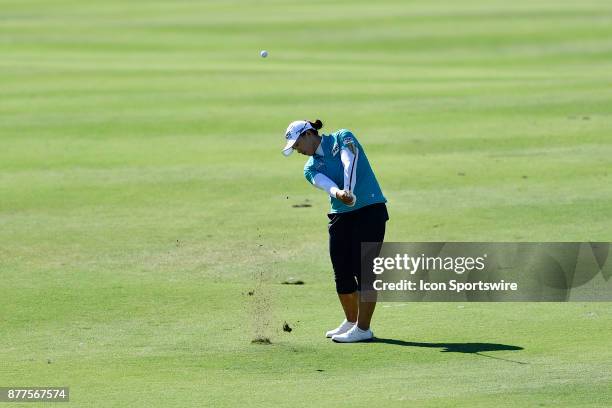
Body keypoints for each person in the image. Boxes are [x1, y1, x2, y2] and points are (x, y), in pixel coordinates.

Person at [282, 119, 389, 343]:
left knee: (365, 270)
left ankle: (363, 329)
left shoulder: (343, 137)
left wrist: (348, 190)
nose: (297, 150)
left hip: (370, 209)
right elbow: (325, 184)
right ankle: (351, 322)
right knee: (341, 270)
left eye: (297, 144)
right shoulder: (310, 167)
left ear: (308, 134)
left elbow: (349, 160)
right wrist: (340, 194)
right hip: (341, 214)